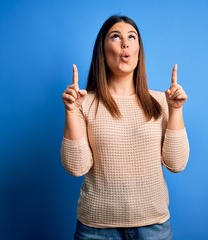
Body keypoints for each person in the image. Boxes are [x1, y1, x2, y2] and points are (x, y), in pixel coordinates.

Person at [61, 15, 190, 240]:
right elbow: (76, 167)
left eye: (132, 37)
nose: (125, 43)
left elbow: (176, 164)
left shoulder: (162, 102)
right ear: (102, 49)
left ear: (139, 50)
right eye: (115, 37)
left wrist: (176, 110)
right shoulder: (84, 103)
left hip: (154, 229)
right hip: (96, 230)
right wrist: (71, 111)